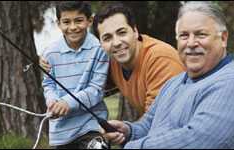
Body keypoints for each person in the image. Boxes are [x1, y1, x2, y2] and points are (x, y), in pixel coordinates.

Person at [101, 1, 234, 148]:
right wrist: (128, 131)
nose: (191, 43)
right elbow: (148, 126)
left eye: (201, 34)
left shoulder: (233, 87)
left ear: (223, 38)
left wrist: (134, 147)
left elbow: (196, 141)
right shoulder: (175, 83)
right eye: (184, 35)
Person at [42, 3, 185, 118]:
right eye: (107, 38)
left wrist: (129, 132)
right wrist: (49, 63)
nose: (116, 43)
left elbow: (156, 122)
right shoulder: (113, 61)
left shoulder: (160, 59)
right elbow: (89, 84)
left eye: (121, 32)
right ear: (101, 43)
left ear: (135, 31)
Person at [41, 1, 109, 148]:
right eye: (66, 22)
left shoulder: (99, 49)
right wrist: (52, 101)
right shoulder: (50, 53)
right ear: (58, 23)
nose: (73, 27)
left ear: (89, 20)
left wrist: (67, 103)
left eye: (78, 21)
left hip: (91, 126)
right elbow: (48, 84)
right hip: (61, 132)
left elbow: (96, 90)